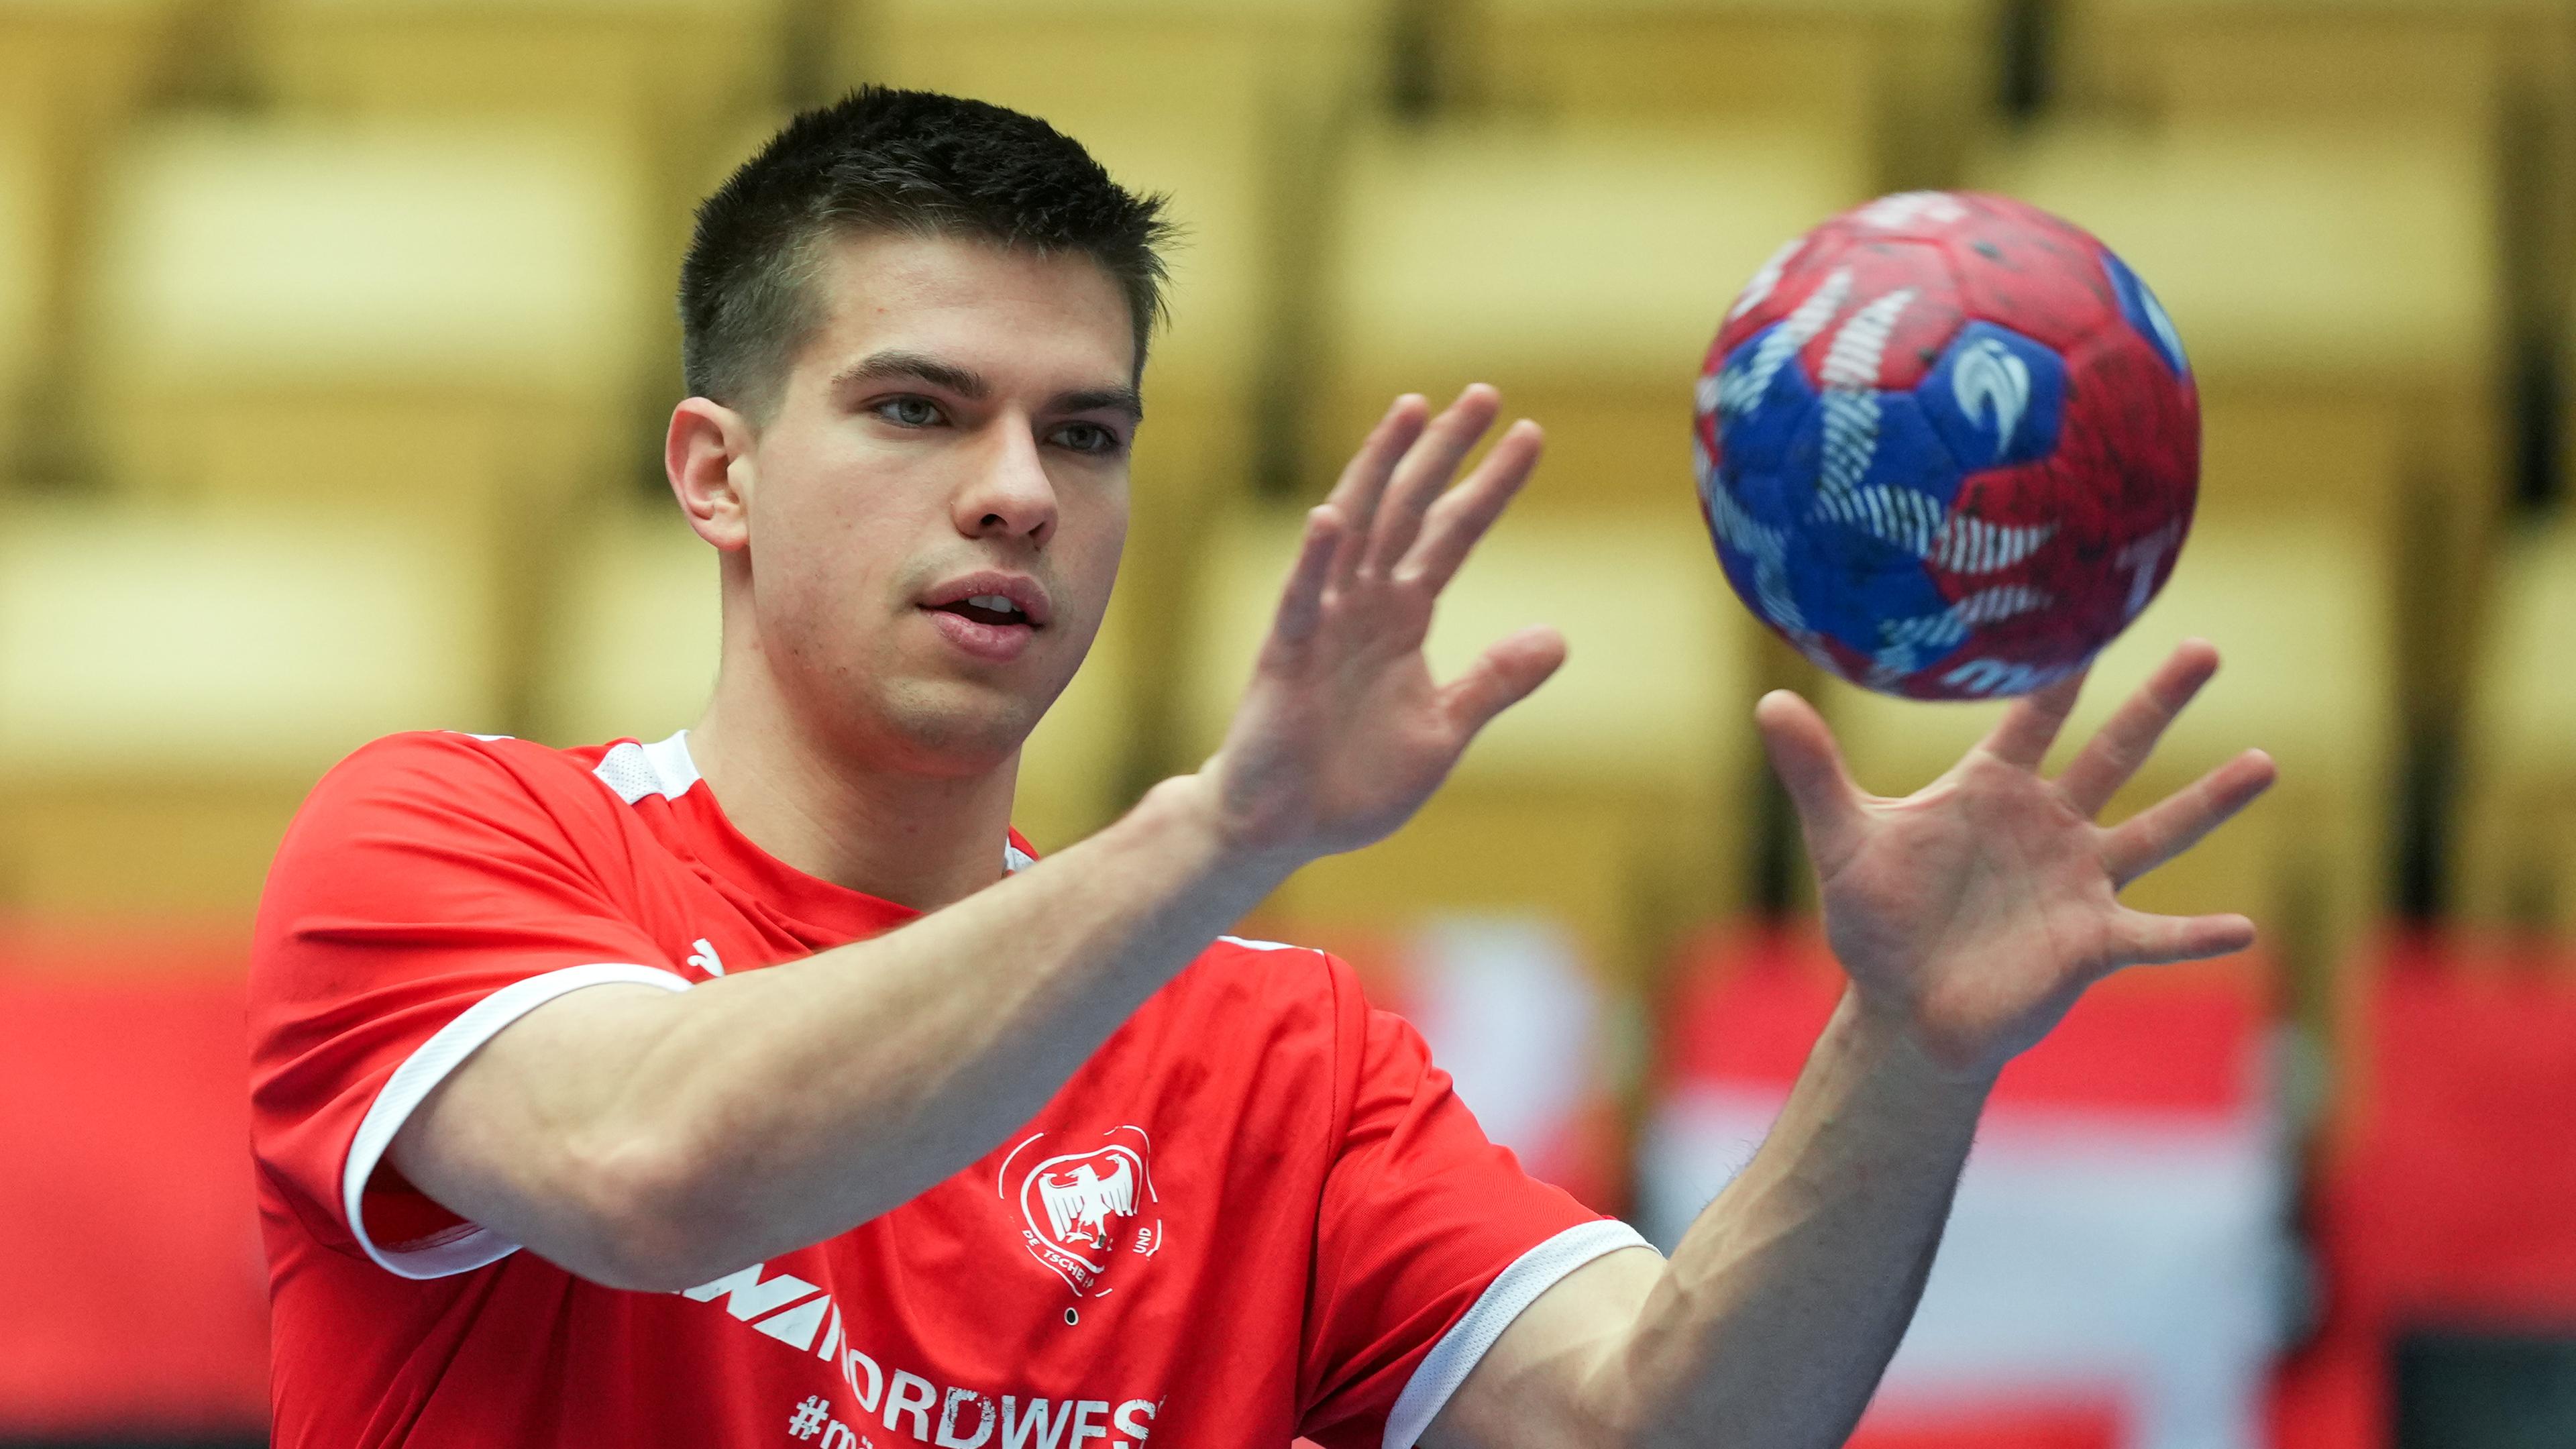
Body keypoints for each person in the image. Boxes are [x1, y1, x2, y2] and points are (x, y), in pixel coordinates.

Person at [246, 87, 2277, 1449]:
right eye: (919, 410)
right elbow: (656, 1171)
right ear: (720, 474)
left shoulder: (1282, 1065)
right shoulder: (449, 838)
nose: (1017, 495)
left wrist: (1909, 1051)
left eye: (1088, 434)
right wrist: (1223, 830)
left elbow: (1662, 1419)